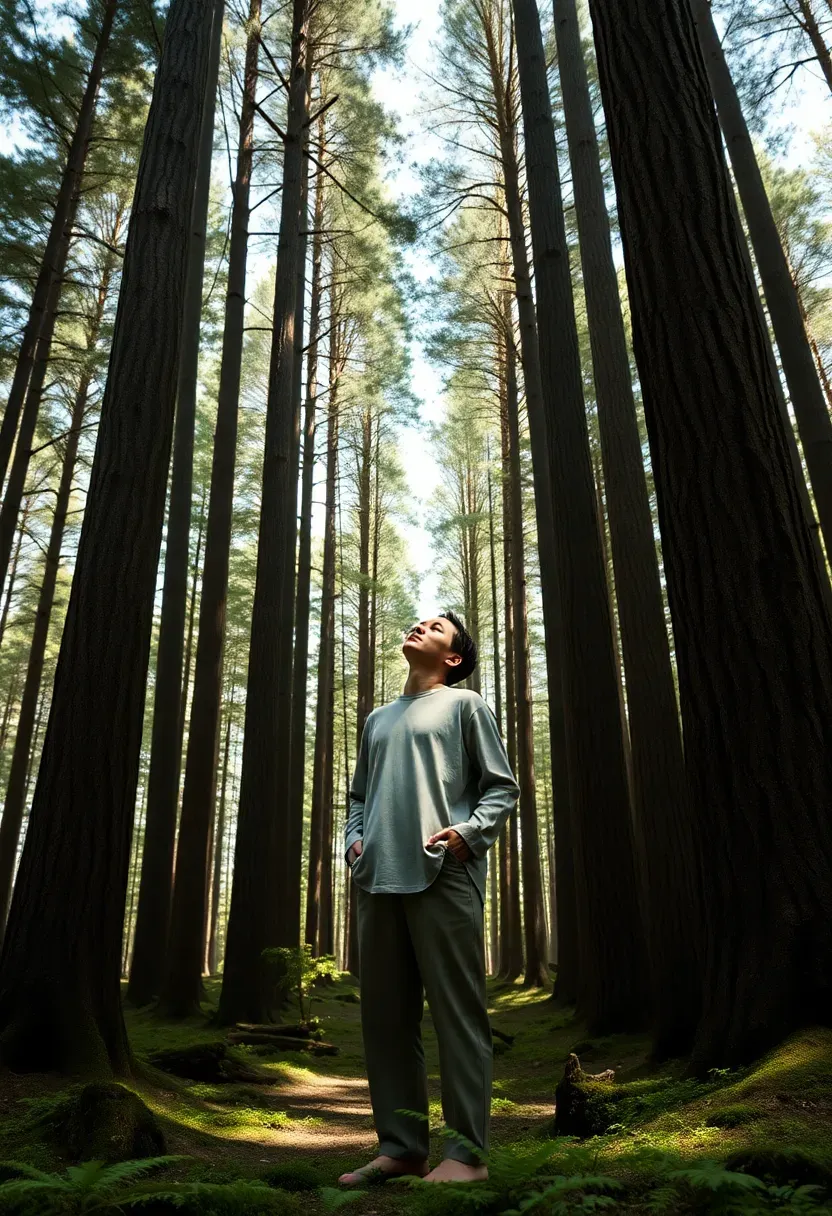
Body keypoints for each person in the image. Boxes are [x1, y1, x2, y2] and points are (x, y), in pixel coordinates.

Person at [338, 611, 520, 1188]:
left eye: (436, 627)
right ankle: (402, 1148)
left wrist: (468, 834)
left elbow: (501, 786)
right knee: (385, 1022)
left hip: (444, 876)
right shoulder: (377, 719)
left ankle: (467, 1155)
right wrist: (353, 842)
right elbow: (357, 797)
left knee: (457, 1016)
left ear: (454, 658)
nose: (420, 626)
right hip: (377, 880)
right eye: (419, 622)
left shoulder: (466, 706)